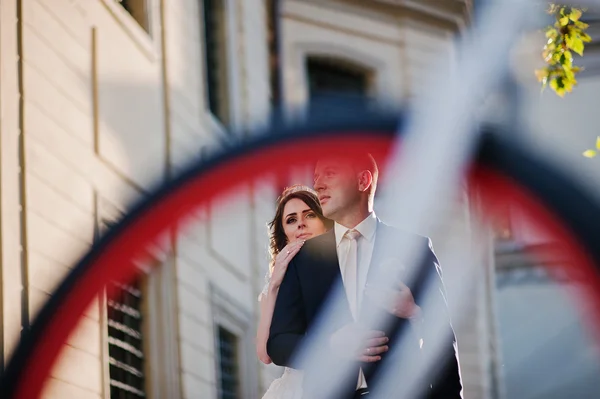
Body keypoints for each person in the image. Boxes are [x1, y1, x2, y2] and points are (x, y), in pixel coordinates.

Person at [267, 153, 463, 398]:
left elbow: (442, 338)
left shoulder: (414, 250)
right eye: (316, 177)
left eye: (329, 173)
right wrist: (330, 345)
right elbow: (278, 344)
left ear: (363, 181)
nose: (318, 185)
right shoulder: (302, 260)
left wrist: (415, 313)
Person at [257, 185, 333, 399]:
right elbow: (264, 354)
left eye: (310, 215)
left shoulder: (347, 261)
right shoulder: (274, 284)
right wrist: (273, 286)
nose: (301, 223)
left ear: (325, 222)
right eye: (291, 220)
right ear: (285, 235)